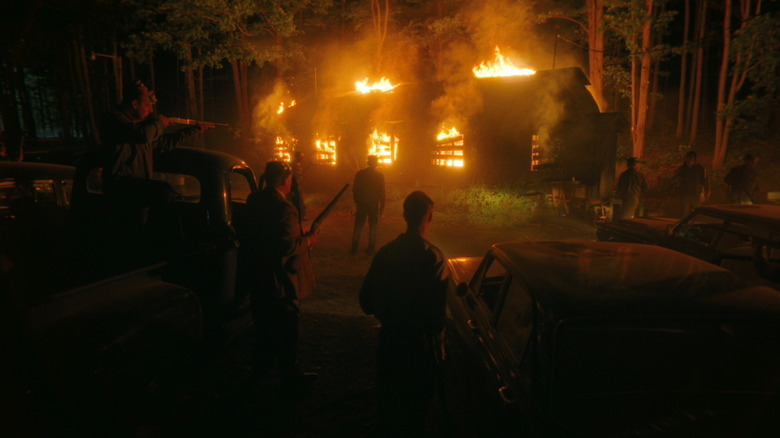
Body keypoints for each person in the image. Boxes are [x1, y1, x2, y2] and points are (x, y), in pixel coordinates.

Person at [359, 190, 450, 437]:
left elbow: (365, 301)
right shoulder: (434, 257)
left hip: (390, 341)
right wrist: (439, 344)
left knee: (389, 404)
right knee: (416, 410)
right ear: (429, 217)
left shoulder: (387, 253)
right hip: (420, 346)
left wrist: (387, 312)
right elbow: (437, 311)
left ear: (404, 215)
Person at [234, 161, 318, 395]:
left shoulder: (254, 200)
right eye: (290, 179)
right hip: (279, 280)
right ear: (284, 181)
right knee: (287, 326)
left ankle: (259, 371)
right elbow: (286, 245)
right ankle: (288, 374)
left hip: (258, 275)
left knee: (263, 326)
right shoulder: (284, 208)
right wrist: (309, 240)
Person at [100, 80, 210, 225]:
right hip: (120, 189)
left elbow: (162, 143)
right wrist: (160, 123)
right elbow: (143, 135)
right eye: (147, 105)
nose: (151, 110)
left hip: (137, 191)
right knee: (163, 192)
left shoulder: (139, 127)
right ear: (134, 104)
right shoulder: (115, 119)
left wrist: (190, 131)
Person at [351, 155, 385, 254]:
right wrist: (382, 206)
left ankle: (354, 246)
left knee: (358, 225)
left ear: (368, 162)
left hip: (362, 204)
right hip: (374, 204)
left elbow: (355, 190)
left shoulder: (360, 174)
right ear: (376, 163)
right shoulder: (379, 175)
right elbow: (382, 192)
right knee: (373, 226)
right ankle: (371, 248)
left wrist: (357, 202)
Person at [674, 151, 710, 216]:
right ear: (685, 158)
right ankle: (684, 223)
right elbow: (677, 180)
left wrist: (706, 192)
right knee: (684, 211)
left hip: (696, 193)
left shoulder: (699, 168)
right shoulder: (681, 169)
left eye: (692, 158)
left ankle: (697, 223)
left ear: (694, 159)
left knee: (698, 211)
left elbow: (705, 181)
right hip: (685, 193)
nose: (690, 159)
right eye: (688, 158)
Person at [290, 151, 307, 221]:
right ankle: (300, 216)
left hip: (296, 184)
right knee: (299, 200)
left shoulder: (296, 164)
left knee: (299, 200)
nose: (303, 158)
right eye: (301, 156)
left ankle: (300, 216)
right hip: (295, 185)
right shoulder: (295, 164)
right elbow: (296, 175)